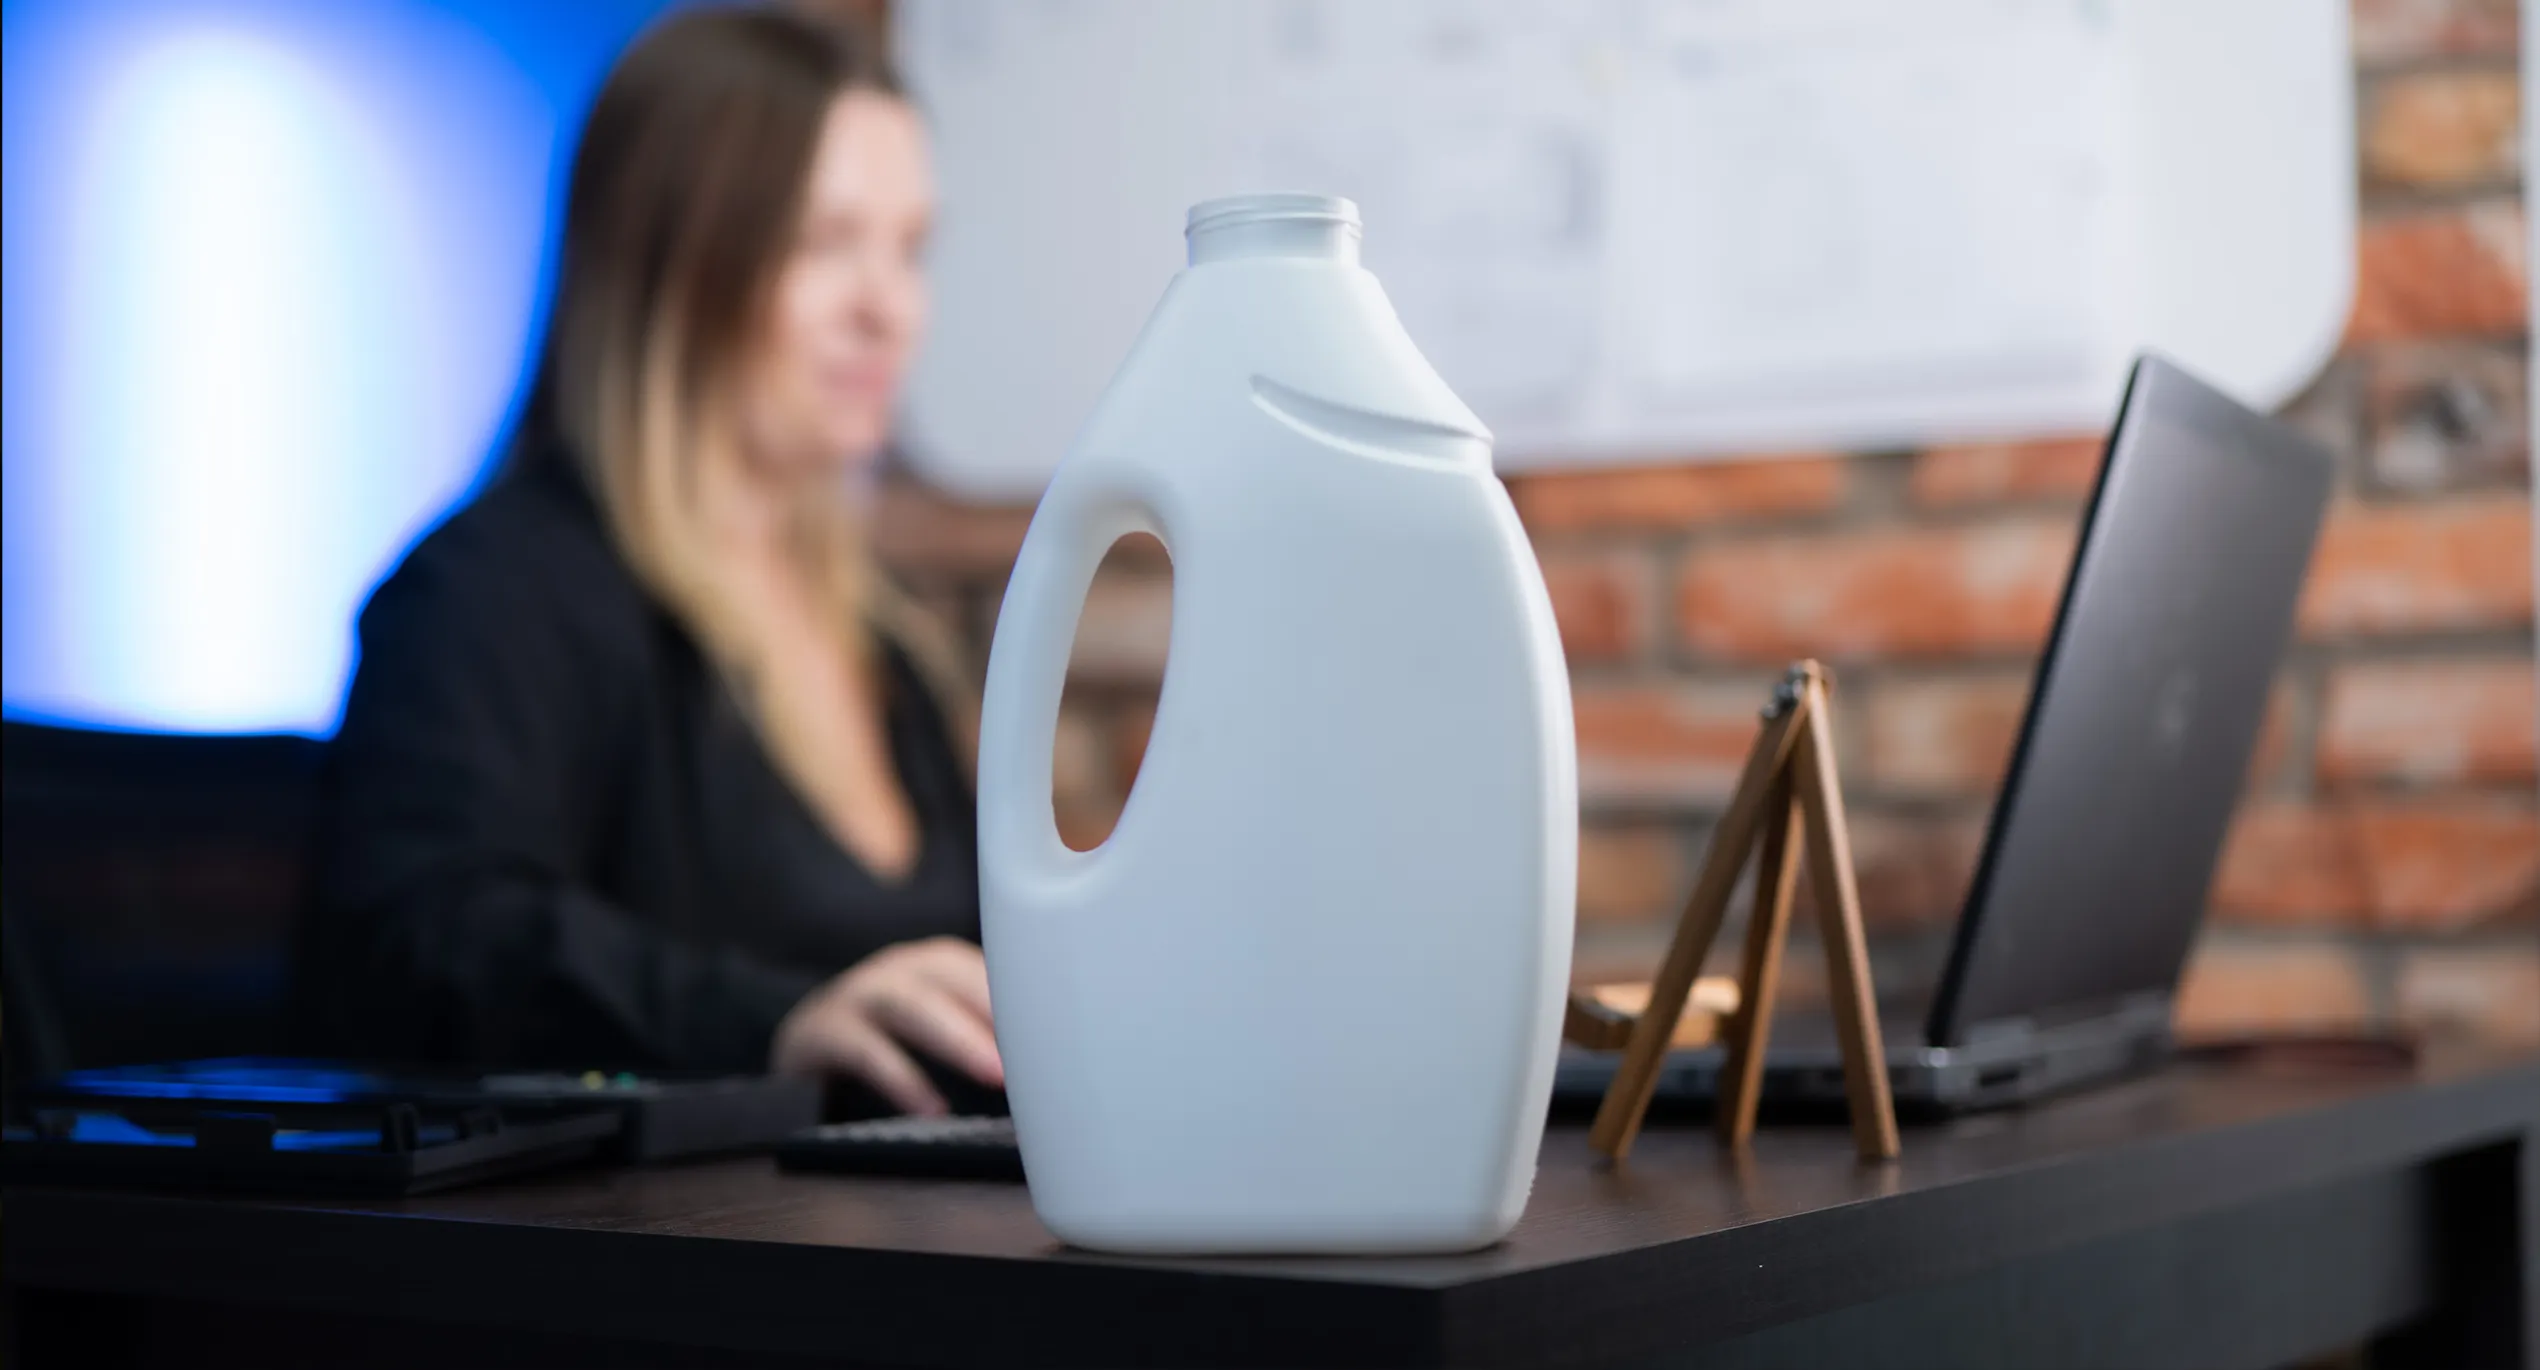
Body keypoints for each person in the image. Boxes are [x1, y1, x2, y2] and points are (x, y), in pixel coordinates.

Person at [293, 4, 1001, 1118]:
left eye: (909, 250)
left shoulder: (887, 644)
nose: (889, 309)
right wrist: (773, 1024)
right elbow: (426, 941)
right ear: (671, 261)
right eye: (823, 243)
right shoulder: (491, 596)